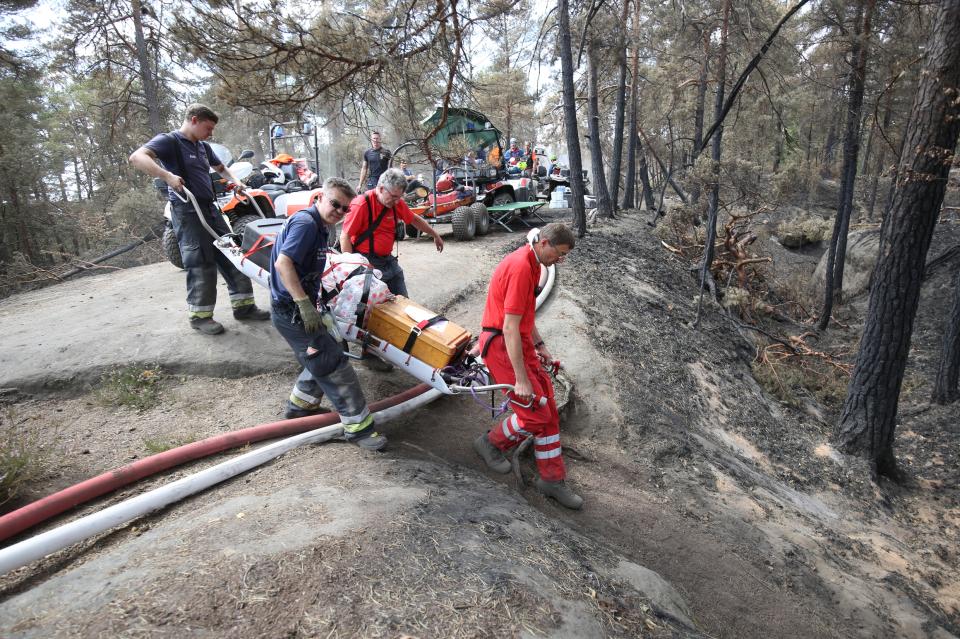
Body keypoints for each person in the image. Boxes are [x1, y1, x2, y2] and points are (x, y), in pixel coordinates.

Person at [129, 103, 271, 335]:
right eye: (208, 127)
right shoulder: (170, 141)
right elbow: (137, 157)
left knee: (232, 253)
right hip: (187, 210)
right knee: (201, 261)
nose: (211, 133)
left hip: (210, 208)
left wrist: (237, 183)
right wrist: (167, 176)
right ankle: (200, 316)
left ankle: (244, 307)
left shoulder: (203, 147)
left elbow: (222, 168)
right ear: (194, 120)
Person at [269, 176, 387, 450]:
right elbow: (283, 264)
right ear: (320, 198)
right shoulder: (306, 224)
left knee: (330, 347)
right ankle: (359, 430)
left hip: (303, 307)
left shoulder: (320, 226)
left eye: (345, 209)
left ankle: (300, 406)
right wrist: (303, 305)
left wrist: (317, 302)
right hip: (293, 313)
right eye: (335, 204)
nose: (340, 212)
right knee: (333, 364)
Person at [472, 223, 583, 509]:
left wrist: (541, 347)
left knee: (546, 409)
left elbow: (526, 315)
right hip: (502, 346)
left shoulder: (535, 263)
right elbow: (509, 327)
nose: (560, 260)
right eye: (559, 254)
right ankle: (491, 443)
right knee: (534, 414)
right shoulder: (522, 268)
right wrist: (521, 378)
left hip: (518, 343)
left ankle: (552, 479)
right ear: (544, 243)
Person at [339, 168, 445, 370]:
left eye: (399, 197)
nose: (397, 202)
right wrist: (353, 270)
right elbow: (345, 236)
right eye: (393, 197)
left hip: (388, 261)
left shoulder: (396, 203)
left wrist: (434, 234)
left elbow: (413, 219)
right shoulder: (362, 204)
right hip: (367, 262)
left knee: (403, 305)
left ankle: (407, 345)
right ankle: (369, 353)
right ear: (380, 188)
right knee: (373, 311)